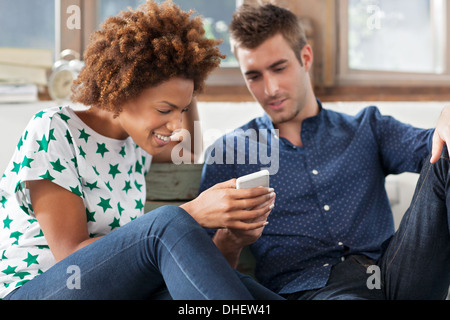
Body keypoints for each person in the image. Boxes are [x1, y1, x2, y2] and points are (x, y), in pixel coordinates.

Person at [0, 0, 280, 300]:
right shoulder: (53, 129)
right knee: (166, 222)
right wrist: (193, 213)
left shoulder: (135, 145)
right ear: (123, 91)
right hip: (38, 289)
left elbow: (186, 151)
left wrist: (182, 71)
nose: (176, 125)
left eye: (181, 110)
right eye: (164, 109)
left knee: (237, 286)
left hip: (115, 292)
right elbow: (70, 259)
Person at [200, 3, 450, 300]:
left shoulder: (367, 128)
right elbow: (199, 269)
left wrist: (447, 115)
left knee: (446, 154)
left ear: (305, 58)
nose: (270, 89)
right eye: (254, 76)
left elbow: (436, 144)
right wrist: (230, 240)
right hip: (313, 290)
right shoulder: (230, 152)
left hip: (396, 273)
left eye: (279, 68)